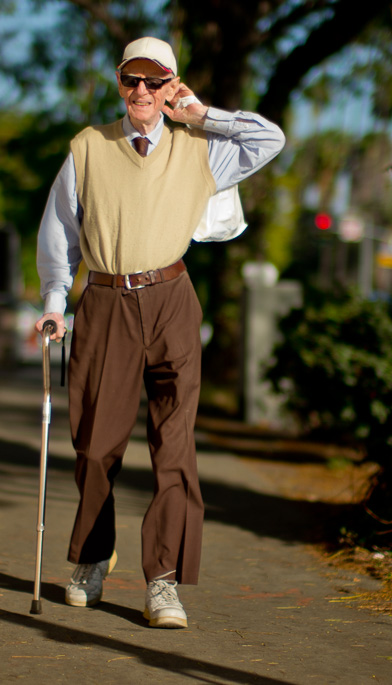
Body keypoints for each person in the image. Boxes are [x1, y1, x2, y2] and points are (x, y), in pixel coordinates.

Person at [35, 36, 285, 628]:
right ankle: (93, 558)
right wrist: (53, 302)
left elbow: (270, 139)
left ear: (171, 84)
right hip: (104, 301)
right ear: (119, 84)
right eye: (131, 81)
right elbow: (59, 233)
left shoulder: (201, 146)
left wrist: (200, 113)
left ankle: (164, 580)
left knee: (174, 447)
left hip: (172, 298)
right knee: (95, 446)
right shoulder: (88, 148)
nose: (142, 92)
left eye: (154, 81)